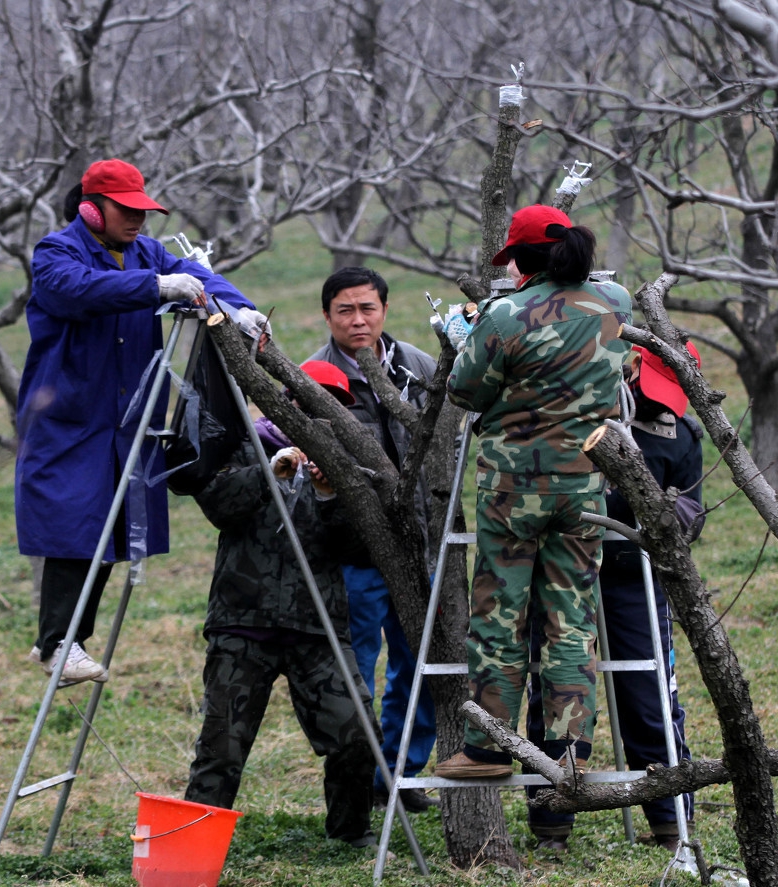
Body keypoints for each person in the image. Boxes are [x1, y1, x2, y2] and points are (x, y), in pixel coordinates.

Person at [15, 158, 260, 685]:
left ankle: (66, 641)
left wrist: (240, 308)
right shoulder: (56, 252)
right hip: (72, 418)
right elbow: (79, 289)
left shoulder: (146, 252)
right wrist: (157, 287)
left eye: (141, 210)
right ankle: (57, 642)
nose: (137, 219)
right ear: (91, 209)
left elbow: (199, 277)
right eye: (124, 209)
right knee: (74, 527)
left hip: (126, 419)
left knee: (109, 530)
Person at [436, 204, 632, 780]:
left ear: (522, 260)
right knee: (571, 616)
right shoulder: (615, 303)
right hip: (585, 483)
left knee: (500, 614)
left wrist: (464, 339)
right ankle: (569, 750)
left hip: (512, 490)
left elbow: (464, 391)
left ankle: (489, 748)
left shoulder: (504, 315)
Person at [184, 360, 379, 849]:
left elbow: (361, 550)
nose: (320, 414)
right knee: (221, 746)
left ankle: (350, 838)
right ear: (286, 401)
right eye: (308, 401)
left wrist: (330, 495)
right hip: (241, 622)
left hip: (318, 628)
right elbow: (216, 504)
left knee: (357, 734)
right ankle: (194, 847)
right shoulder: (243, 443)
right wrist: (267, 473)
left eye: (333, 405)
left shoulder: (347, 464)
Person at [525, 341, 703, 852]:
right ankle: (552, 823)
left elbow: (693, 510)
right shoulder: (578, 410)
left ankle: (671, 821)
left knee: (650, 697)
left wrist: (667, 512)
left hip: (635, 578)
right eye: (653, 388)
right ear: (633, 366)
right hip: (565, 570)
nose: (658, 402)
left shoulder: (681, 434)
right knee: (559, 693)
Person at [305, 267, 440, 813]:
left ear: (385, 309)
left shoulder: (419, 366)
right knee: (356, 669)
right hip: (352, 553)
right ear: (327, 315)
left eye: (368, 308)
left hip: (420, 549)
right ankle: (357, 783)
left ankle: (401, 775)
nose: (357, 320)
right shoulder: (313, 377)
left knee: (421, 665)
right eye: (345, 310)